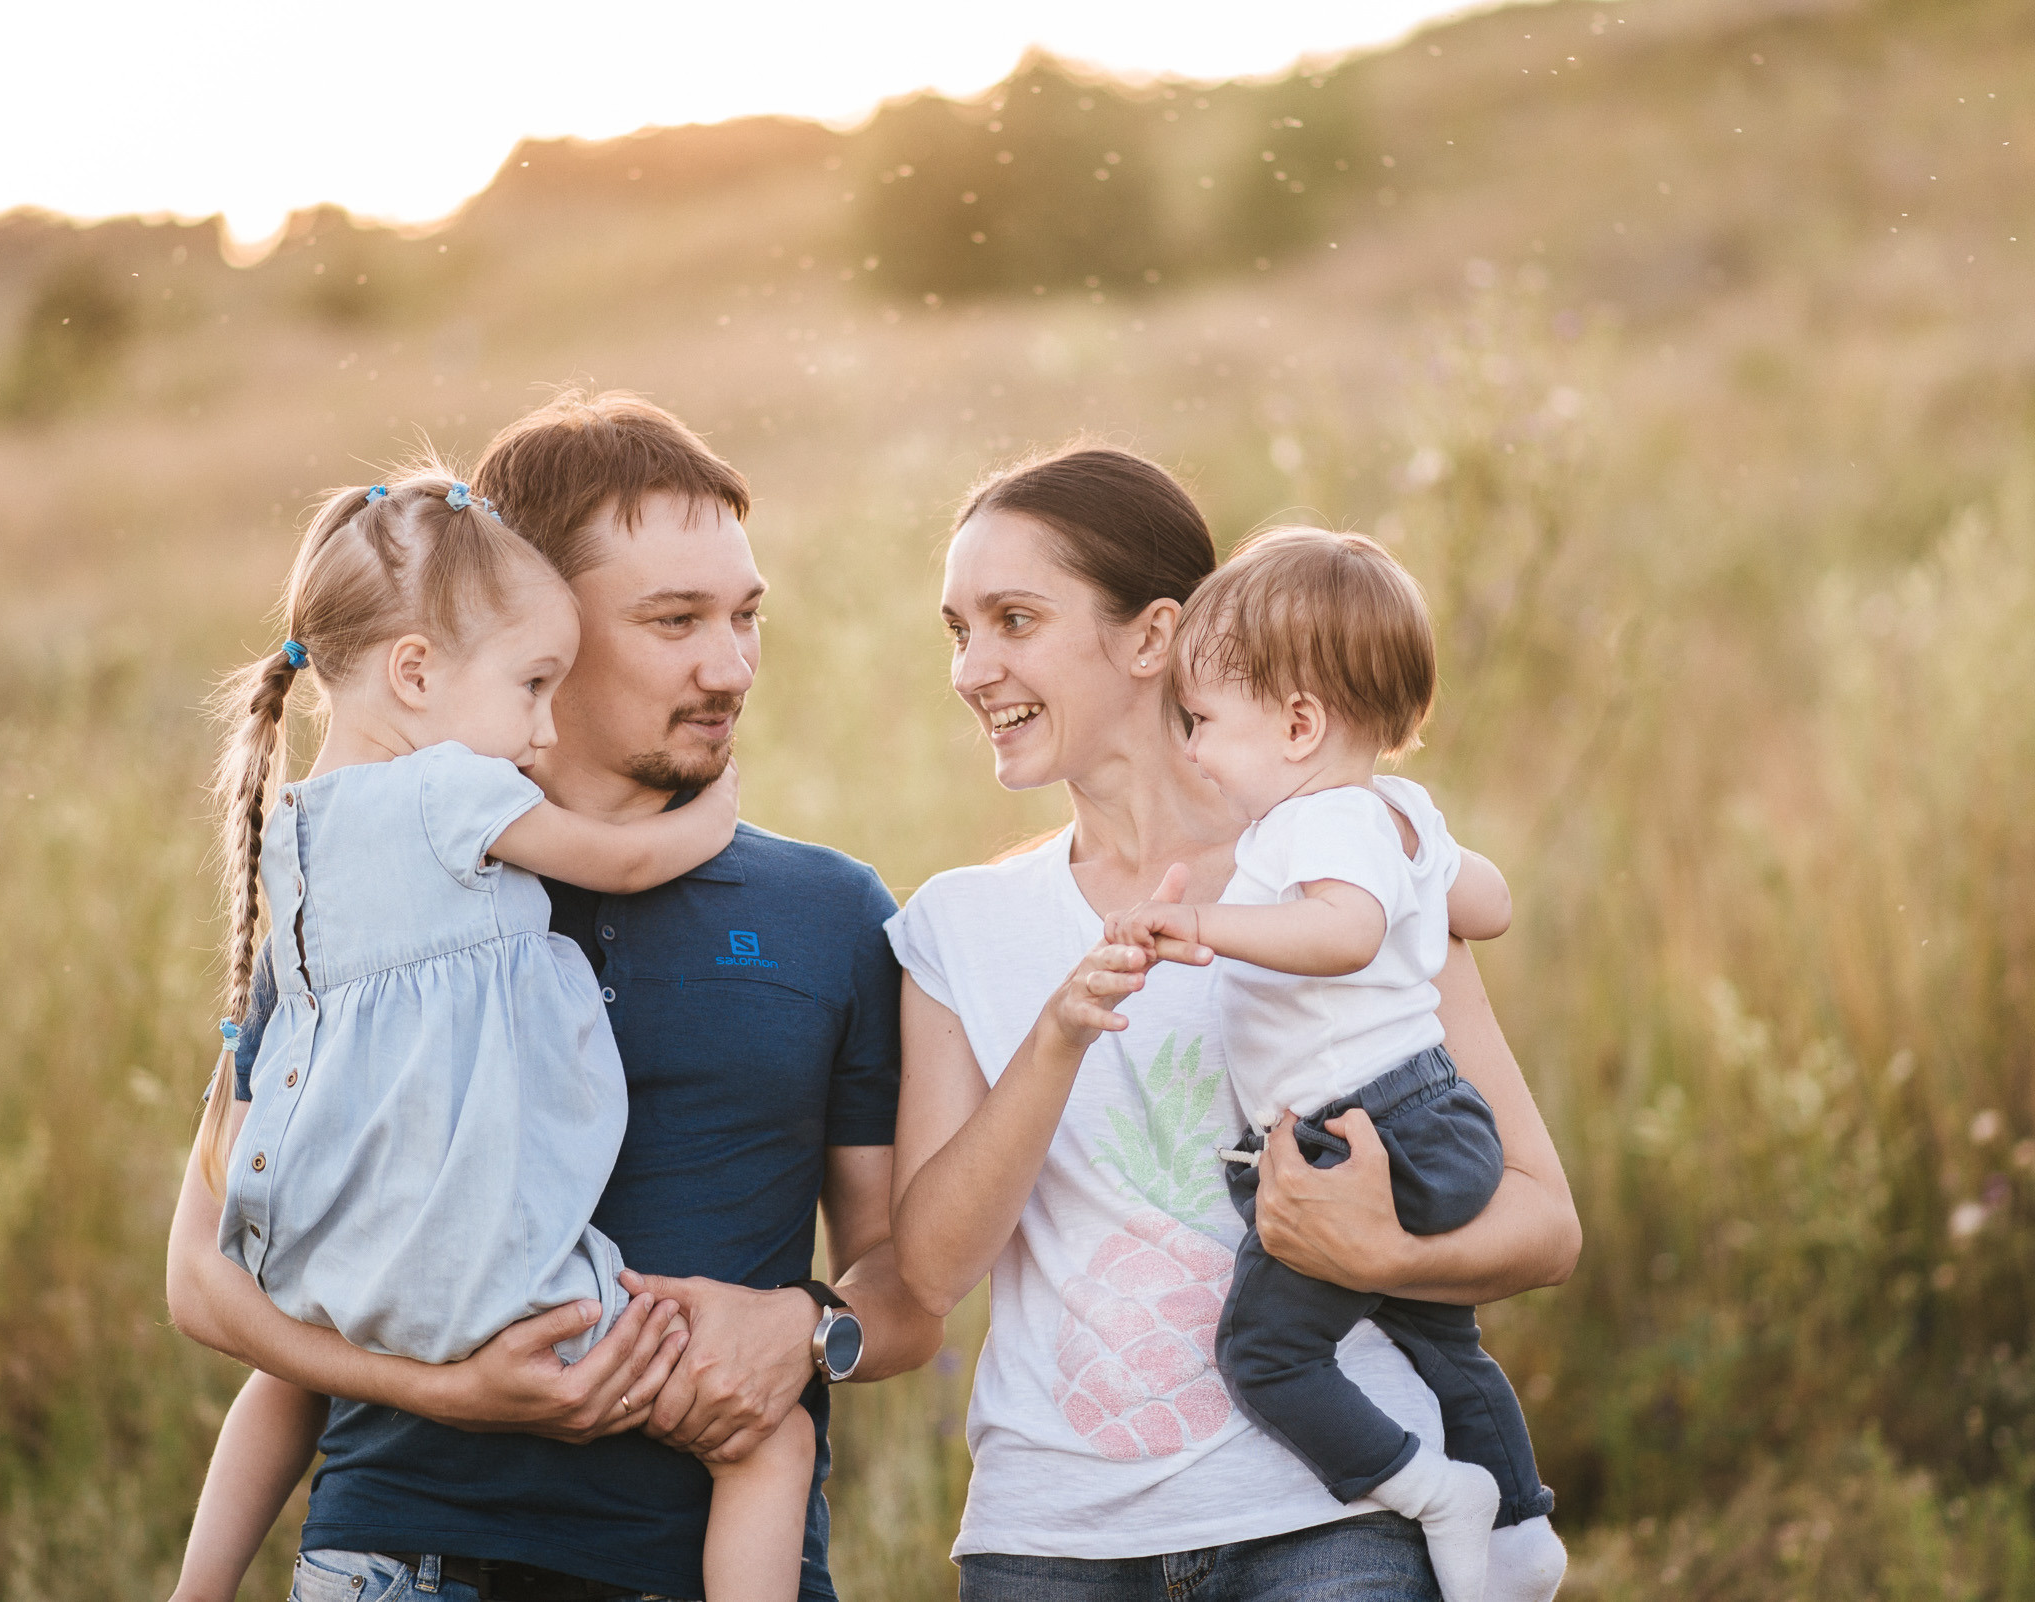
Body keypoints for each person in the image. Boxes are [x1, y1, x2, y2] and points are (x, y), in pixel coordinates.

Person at [163, 392, 942, 1602]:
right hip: (400, 1563)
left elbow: (906, 1289)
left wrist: (803, 1328)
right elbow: (206, 1278)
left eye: (744, 617)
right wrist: (444, 1390)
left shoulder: (831, 913)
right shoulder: (370, 907)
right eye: (675, 619)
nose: (729, 665)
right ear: (535, 621)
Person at [883, 445, 1581, 1601]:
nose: (971, 668)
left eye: (1014, 619)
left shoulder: (1344, 877)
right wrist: (1057, 1034)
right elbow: (932, 1269)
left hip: (1334, 1524)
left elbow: (1545, 1226)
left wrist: (1390, 1257)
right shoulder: (959, 925)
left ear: (1154, 638)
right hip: (1051, 1543)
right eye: (958, 629)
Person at [1106, 527, 1564, 1602]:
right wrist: (1428, 884)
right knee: (1437, 1334)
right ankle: (1522, 1526)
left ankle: (1429, 1490)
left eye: (1205, 722)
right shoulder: (1399, 814)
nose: (1193, 749)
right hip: (1432, 1115)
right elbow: (1489, 905)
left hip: (1360, 1126)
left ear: (1300, 725)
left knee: (1266, 1353)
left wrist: (1211, 926)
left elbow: (1346, 934)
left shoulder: (1315, 826)